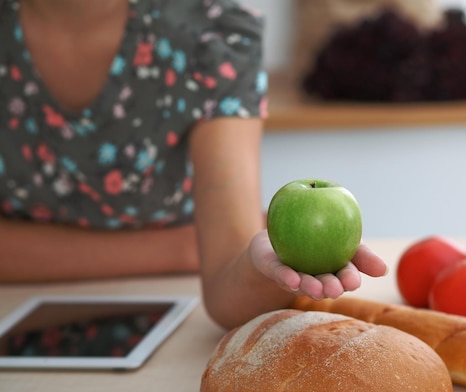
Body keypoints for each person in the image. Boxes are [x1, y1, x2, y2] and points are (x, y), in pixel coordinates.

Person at [0, 0, 388, 329]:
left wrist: (260, 270)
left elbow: (225, 295)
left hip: (166, 312)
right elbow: (203, 255)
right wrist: (181, 248)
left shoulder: (213, 35)